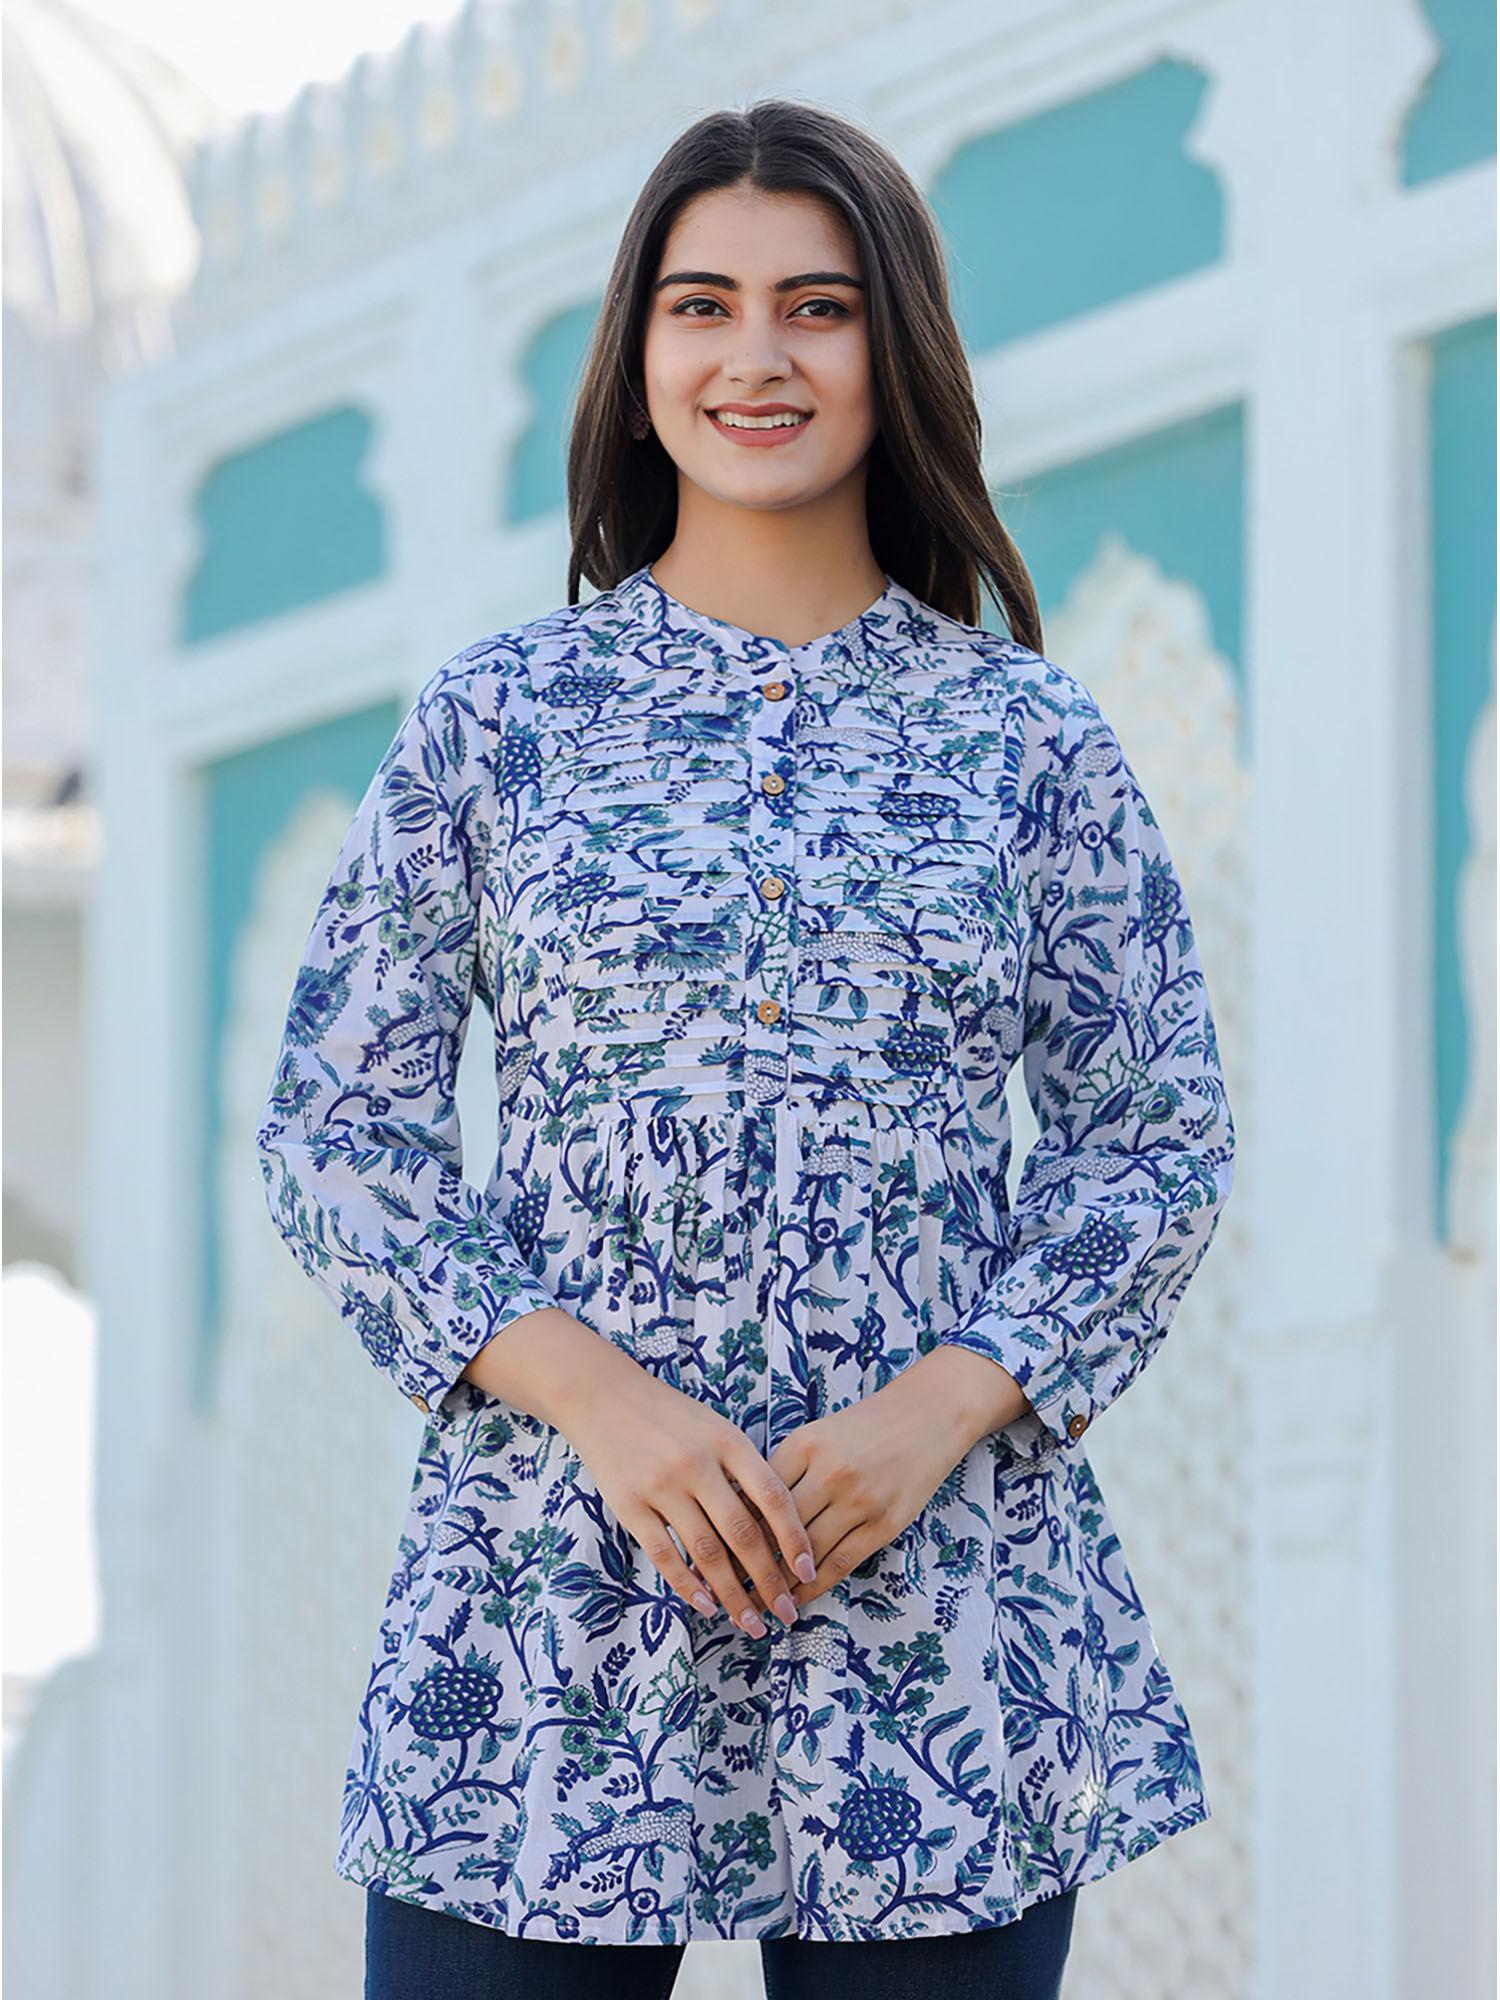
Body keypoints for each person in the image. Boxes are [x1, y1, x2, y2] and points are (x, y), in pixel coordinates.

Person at [255, 97, 1235, 2000]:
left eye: (821, 305)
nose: (757, 357)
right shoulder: (501, 723)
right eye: (701, 307)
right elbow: (337, 1132)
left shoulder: (1027, 744)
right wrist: (598, 1405)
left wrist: (948, 1401)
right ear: (637, 362)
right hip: (544, 1605)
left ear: (900, 352)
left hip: (937, 1601)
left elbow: (1157, 1136)